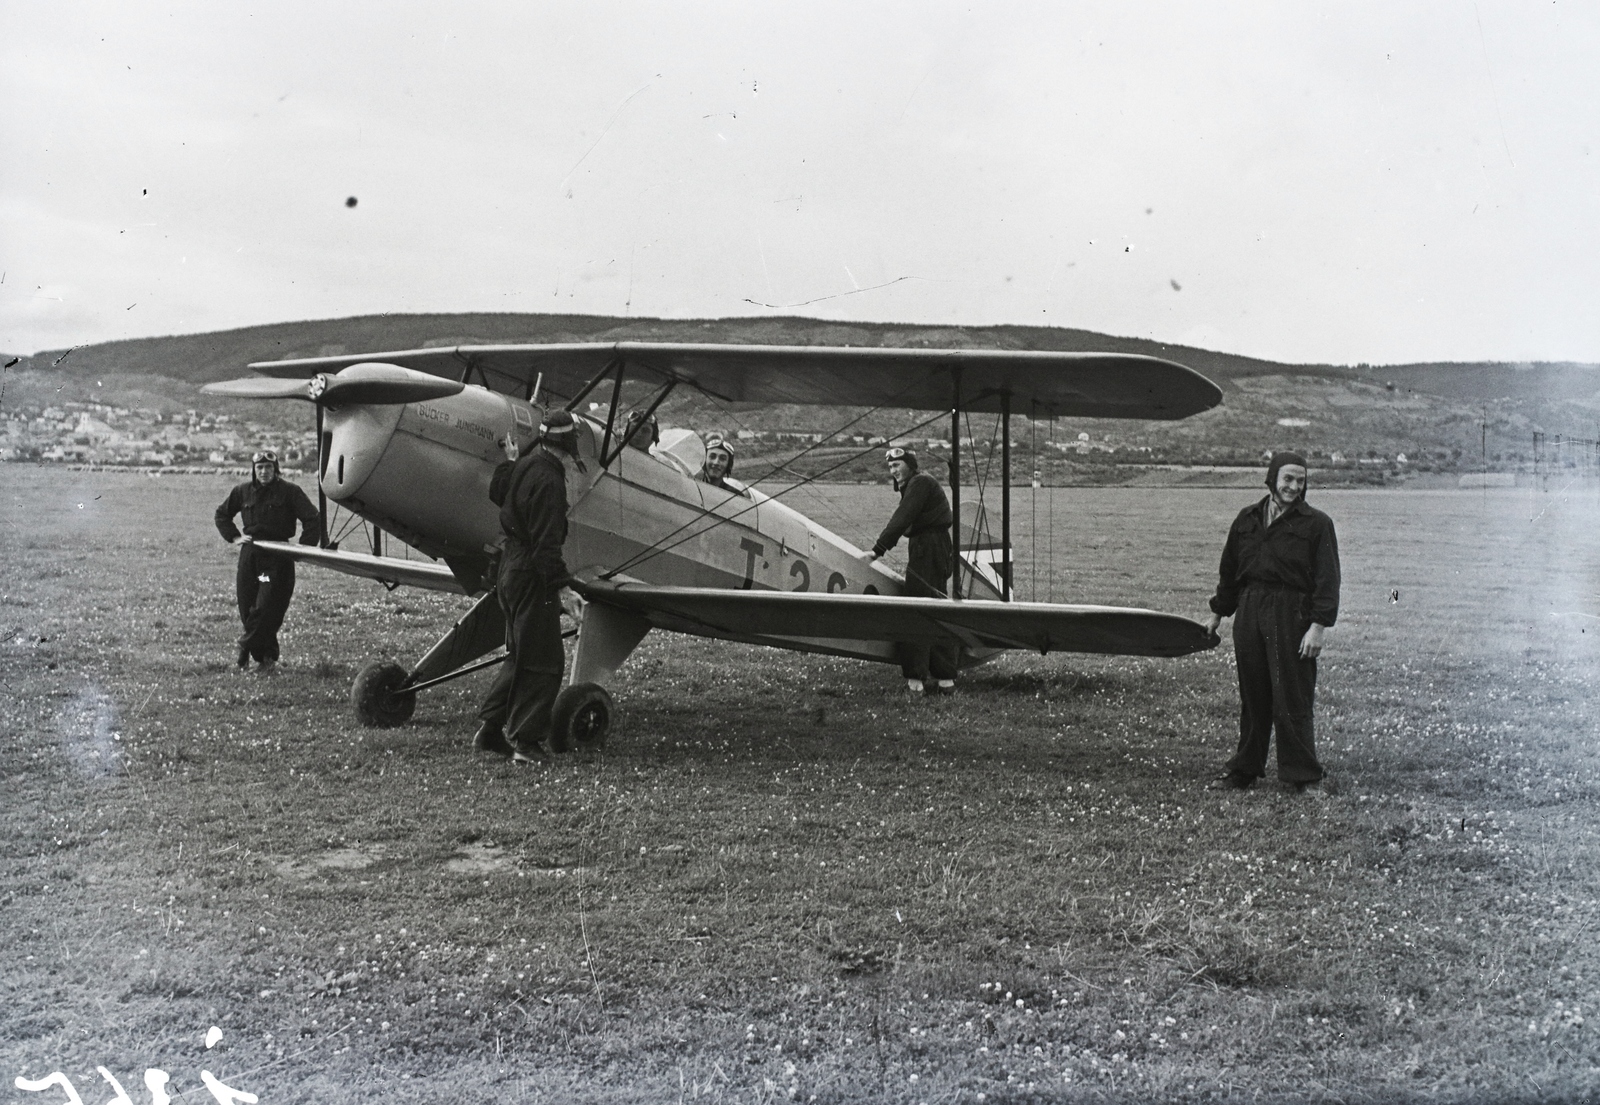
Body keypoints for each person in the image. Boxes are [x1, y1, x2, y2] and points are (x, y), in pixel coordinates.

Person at [1202, 451, 1341, 792]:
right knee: (1254, 695)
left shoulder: (1317, 524)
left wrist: (1317, 626)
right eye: (1288, 479)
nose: (1294, 487)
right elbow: (1230, 572)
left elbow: (1328, 580)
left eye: (1301, 481)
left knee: (1292, 695)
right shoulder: (1246, 518)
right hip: (1250, 609)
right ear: (1272, 478)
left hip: (1291, 612)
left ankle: (1304, 776)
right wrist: (1218, 613)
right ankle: (1244, 770)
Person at [474, 410, 578, 762]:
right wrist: (564, 588)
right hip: (531, 576)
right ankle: (527, 744)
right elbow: (546, 545)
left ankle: (491, 730)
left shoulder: (525, 467)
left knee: (521, 653)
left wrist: (510, 461)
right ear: (569, 443)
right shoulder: (550, 481)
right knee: (544, 660)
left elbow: (497, 490)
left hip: (508, 570)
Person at [860, 447, 959, 694]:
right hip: (930, 546)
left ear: (910, 465)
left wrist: (878, 549)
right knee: (934, 605)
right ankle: (944, 678)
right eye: (891, 467)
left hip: (930, 547)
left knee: (916, 608)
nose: (893, 471)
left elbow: (902, 517)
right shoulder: (916, 484)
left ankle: (917, 680)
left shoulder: (921, 482)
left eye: (897, 465)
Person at [213, 451, 320, 673]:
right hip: (250, 556)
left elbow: (313, 518)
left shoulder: (290, 491)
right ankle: (258, 654)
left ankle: (253, 651)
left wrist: (301, 548)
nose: (263, 472)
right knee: (247, 606)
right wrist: (234, 537)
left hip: (274, 559)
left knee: (265, 605)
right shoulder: (242, 491)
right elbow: (222, 515)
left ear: (276, 469)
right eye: (259, 467)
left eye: (268, 468)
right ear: (254, 469)